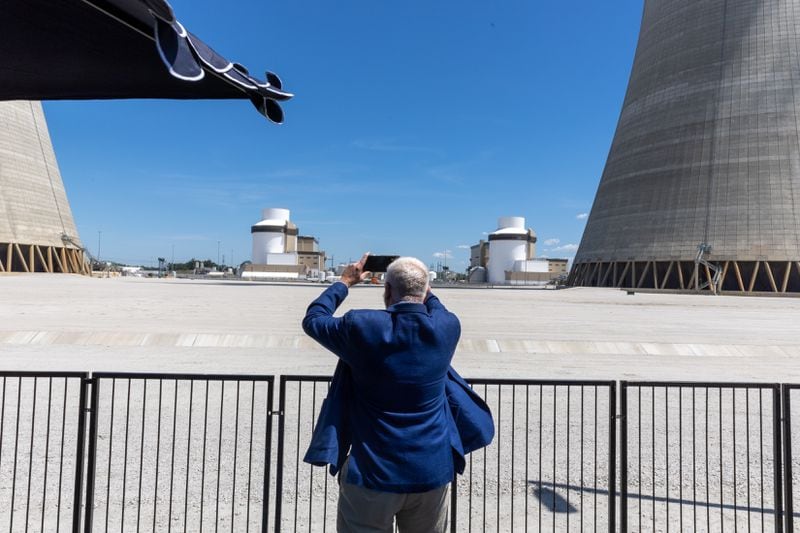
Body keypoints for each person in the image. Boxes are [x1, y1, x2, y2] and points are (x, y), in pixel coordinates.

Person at [302, 254, 493, 533]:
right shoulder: (447, 327)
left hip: (372, 473)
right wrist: (422, 285)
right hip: (431, 472)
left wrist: (344, 282)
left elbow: (314, 319)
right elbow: (434, 304)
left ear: (387, 289)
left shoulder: (362, 326)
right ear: (426, 289)